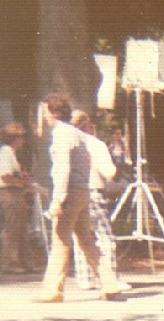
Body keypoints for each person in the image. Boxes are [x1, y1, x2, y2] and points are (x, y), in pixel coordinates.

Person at [36, 93, 123, 303]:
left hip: (70, 193)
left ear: (54, 112)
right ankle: (110, 283)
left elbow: (62, 169)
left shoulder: (61, 135)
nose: (44, 117)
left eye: (45, 112)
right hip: (84, 191)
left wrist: (59, 199)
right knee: (87, 240)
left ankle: (53, 289)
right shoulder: (79, 135)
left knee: (60, 240)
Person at [70, 111, 130, 292]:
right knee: (105, 237)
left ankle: (86, 278)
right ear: (88, 125)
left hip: (74, 192)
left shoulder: (70, 144)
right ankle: (110, 277)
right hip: (94, 193)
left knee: (81, 236)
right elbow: (109, 171)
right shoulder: (96, 144)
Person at [0, 123, 33, 273]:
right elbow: (5, 177)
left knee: (22, 227)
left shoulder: (11, 153)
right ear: (14, 138)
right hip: (9, 193)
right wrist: (22, 183)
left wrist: (21, 176)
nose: (23, 140)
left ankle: (25, 262)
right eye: (21, 137)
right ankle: (8, 263)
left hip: (16, 194)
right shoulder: (5, 152)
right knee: (13, 227)